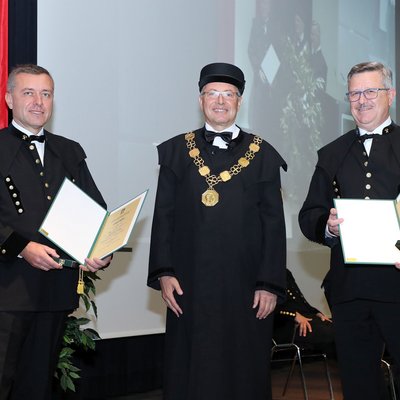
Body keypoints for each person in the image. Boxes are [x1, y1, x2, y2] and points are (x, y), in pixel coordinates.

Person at [147, 62, 287, 400]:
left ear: (240, 102)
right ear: (200, 100)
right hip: (188, 286)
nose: (220, 101)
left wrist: (269, 284)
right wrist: (164, 273)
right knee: (189, 367)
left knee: (243, 370)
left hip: (246, 288)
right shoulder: (175, 152)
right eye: (212, 94)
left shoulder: (264, 154)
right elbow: (163, 216)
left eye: (229, 94)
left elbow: (274, 225)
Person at [0, 64, 112, 400]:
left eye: (46, 94)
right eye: (28, 93)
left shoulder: (70, 150)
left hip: (54, 291)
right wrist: (22, 247)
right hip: (7, 291)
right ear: (9, 99)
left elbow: (95, 212)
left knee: (37, 387)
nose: (38, 102)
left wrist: (101, 247)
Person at [299, 61, 400, 400]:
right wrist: (326, 226)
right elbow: (308, 213)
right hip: (349, 289)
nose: (362, 100)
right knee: (358, 385)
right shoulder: (332, 153)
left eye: (370, 91)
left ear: (390, 95)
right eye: (354, 93)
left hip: (398, 287)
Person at [274, 268, 335, 358]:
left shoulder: (285, 272)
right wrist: (294, 315)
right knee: (335, 333)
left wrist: (317, 313)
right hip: (285, 323)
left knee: (340, 327)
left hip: (303, 318)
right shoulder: (262, 274)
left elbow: (301, 302)